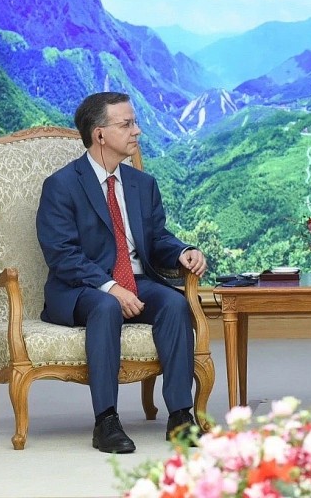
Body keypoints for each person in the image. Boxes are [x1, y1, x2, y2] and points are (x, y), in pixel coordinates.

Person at [36, 91, 207, 453]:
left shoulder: (142, 185)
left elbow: (158, 239)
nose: (137, 131)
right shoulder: (61, 186)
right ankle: (107, 421)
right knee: (106, 306)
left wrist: (183, 252)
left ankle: (179, 415)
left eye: (135, 122)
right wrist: (110, 286)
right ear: (100, 134)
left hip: (137, 281)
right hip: (80, 287)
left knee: (176, 305)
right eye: (126, 124)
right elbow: (62, 255)